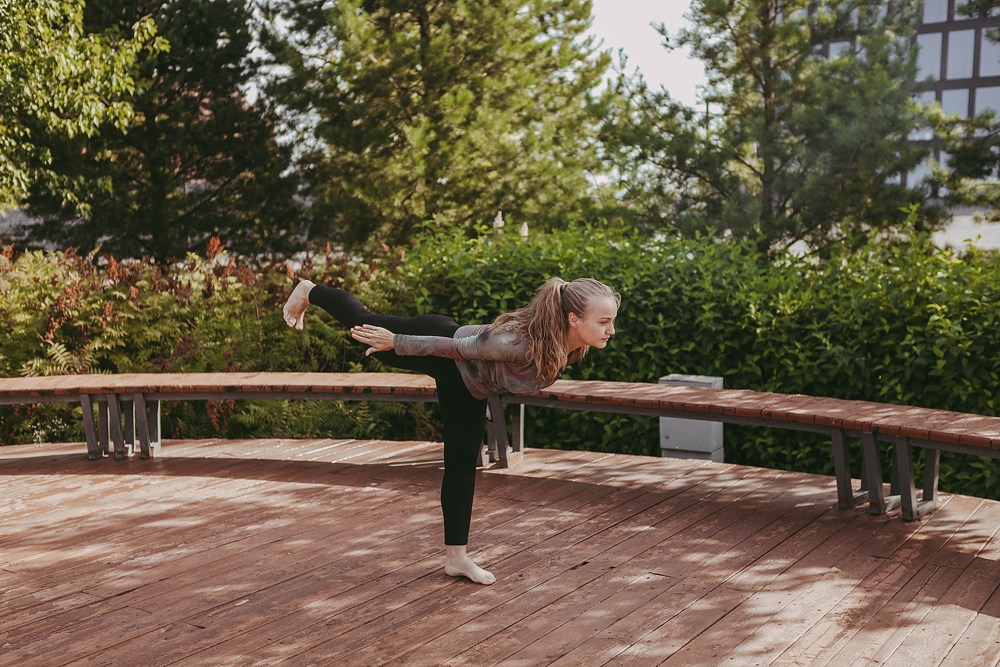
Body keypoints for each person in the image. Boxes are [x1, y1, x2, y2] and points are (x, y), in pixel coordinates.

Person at [282, 277, 620, 584]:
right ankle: (310, 291)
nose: (611, 330)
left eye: (611, 321)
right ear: (574, 319)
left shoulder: (571, 344)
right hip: (441, 348)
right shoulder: (516, 343)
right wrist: (398, 342)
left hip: (468, 386)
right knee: (364, 325)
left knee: (461, 466)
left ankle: (456, 558)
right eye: (603, 322)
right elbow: (456, 349)